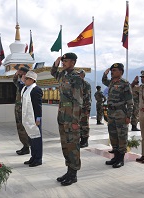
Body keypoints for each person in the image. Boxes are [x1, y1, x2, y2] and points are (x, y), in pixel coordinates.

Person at [51, 52, 83, 186]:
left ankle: (74, 174)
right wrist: (56, 63)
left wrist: (75, 121)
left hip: (71, 116)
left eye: (66, 61)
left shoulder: (76, 78)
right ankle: (69, 171)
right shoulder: (63, 75)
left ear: (73, 63)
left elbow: (78, 101)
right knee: (65, 145)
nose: (63, 63)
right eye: (63, 61)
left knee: (73, 145)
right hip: (62, 115)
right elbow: (53, 73)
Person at [102, 63, 133, 168]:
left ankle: (121, 159)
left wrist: (128, 116)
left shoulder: (125, 84)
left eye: (115, 70)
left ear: (121, 72)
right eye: (112, 70)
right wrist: (104, 74)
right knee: (113, 135)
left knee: (122, 136)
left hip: (120, 113)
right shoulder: (111, 82)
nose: (112, 72)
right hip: (111, 113)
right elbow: (104, 81)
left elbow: (130, 102)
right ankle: (115, 157)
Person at [21, 71, 43, 167]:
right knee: (31, 138)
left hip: (34, 119)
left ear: (32, 80)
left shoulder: (36, 89)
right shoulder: (26, 89)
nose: (24, 80)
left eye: (26, 79)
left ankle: (38, 159)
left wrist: (38, 118)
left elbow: (38, 106)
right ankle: (33, 157)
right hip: (28, 119)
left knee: (37, 139)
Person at [13, 67, 30, 155]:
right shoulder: (21, 82)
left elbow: (23, 90)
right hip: (18, 109)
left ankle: (27, 146)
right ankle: (25, 146)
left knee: (23, 129)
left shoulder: (28, 84)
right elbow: (14, 80)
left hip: (24, 110)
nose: (18, 73)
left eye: (20, 72)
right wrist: (16, 74)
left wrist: (23, 81)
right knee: (20, 128)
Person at [78, 69, 91, 148]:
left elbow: (88, 98)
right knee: (78, 124)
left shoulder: (86, 84)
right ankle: (80, 140)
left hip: (84, 108)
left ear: (83, 75)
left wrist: (87, 109)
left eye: (79, 74)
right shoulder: (76, 84)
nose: (78, 75)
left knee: (84, 125)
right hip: (77, 108)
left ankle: (85, 141)